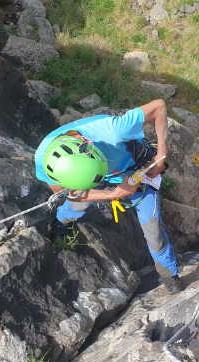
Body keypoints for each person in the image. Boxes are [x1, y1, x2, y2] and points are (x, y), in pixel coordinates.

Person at [33, 99, 184, 293]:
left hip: (134, 167)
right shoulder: (46, 160)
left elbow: (159, 106)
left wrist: (161, 154)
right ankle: (61, 223)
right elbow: (69, 192)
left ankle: (168, 274)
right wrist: (112, 194)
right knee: (73, 205)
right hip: (104, 178)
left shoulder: (114, 131)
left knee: (152, 228)